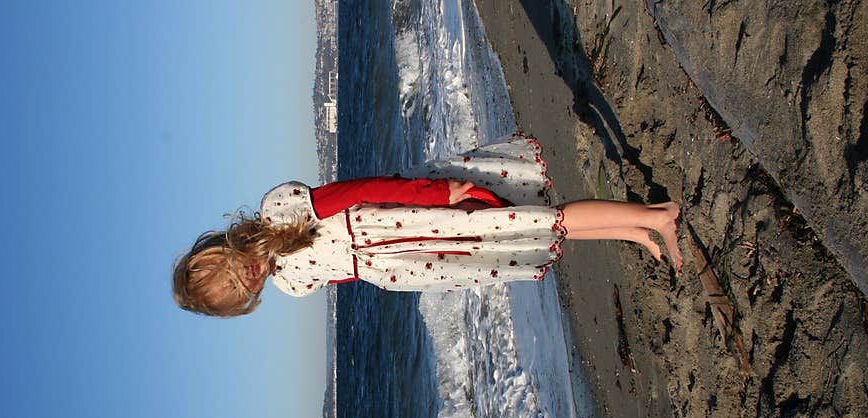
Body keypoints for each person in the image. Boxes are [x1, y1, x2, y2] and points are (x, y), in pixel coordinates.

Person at [172, 133, 683, 317]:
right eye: (243, 292)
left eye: (238, 272)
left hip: (418, 218)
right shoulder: (289, 282)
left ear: (227, 250)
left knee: (539, 219)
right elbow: (347, 274)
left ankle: (657, 217)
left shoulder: (280, 211)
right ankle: (635, 230)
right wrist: (408, 270)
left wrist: (435, 194)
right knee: (530, 234)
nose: (251, 279)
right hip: (411, 260)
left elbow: (361, 191)